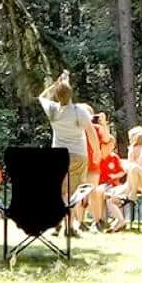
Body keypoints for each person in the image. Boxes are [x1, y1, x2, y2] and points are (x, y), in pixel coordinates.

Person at [39, 71, 97, 232]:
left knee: (60, 191)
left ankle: (58, 220)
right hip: (78, 155)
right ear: (71, 93)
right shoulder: (80, 111)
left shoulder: (52, 110)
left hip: (58, 156)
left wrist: (56, 84)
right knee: (73, 192)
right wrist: (97, 152)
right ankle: (69, 225)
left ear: (57, 96)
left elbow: (42, 96)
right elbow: (91, 132)